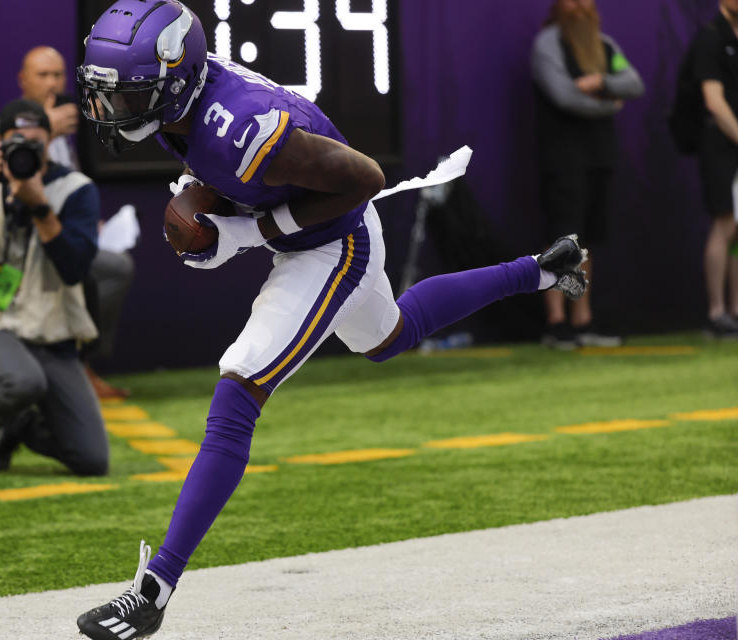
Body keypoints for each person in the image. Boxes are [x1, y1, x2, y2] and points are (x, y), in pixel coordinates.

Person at [72, 2, 590, 638]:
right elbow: (204, 154)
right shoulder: (186, 98)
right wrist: (196, 197)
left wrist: (242, 232)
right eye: (107, 96)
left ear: (173, 80)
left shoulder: (241, 126)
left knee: (238, 392)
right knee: (389, 336)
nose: (110, 111)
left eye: (125, 97)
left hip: (334, 239)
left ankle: (152, 592)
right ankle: (541, 270)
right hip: (311, 228)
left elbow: (365, 178)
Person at [0, 99, 109, 476]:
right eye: (16, 143)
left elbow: (74, 268)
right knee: (24, 381)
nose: (25, 152)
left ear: (49, 142)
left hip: (54, 331)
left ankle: (22, 426)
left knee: (93, 460)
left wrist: (41, 208)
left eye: (35, 143)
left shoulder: (76, 189)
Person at [0, 46, 135, 398]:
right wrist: (44, 129)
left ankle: (80, 363)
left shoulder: (66, 130)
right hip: (15, 246)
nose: (52, 83)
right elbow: (1, 182)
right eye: (42, 75)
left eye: (58, 75)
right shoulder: (3, 126)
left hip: (60, 240)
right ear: (23, 80)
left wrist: (90, 222)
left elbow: (71, 185)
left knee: (107, 269)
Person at [531, 0, 644, 349]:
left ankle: (582, 319)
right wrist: (609, 102)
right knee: (559, 239)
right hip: (562, 157)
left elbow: (633, 82)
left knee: (586, 242)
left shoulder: (605, 45)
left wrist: (599, 80)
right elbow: (563, 95)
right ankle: (556, 321)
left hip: (599, 156)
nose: (580, 6)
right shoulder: (548, 43)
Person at [695, 0, 738, 338]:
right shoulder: (710, 38)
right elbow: (714, 100)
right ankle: (717, 312)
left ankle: (736, 309)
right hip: (721, 147)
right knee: (725, 223)